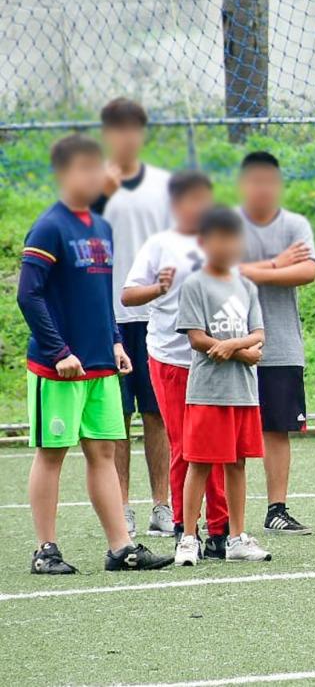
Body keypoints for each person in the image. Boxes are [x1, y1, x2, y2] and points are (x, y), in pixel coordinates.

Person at [18, 134, 173, 574]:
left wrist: (115, 342)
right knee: (52, 452)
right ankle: (45, 550)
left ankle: (120, 547)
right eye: (84, 169)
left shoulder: (100, 228)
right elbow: (29, 295)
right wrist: (59, 351)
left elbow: (100, 295)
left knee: (103, 451)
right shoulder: (50, 226)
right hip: (60, 367)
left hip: (100, 364)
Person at [122, 170, 231, 559]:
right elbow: (129, 295)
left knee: (219, 446)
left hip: (216, 360)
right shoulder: (159, 245)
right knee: (185, 446)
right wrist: (159, 288)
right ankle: (187, 529)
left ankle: (222, 530)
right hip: (170, 359)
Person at [92, 98, 173, 539]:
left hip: (156, 317)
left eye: (133, 128)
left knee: (157, 414)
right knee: (116, 417)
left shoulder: (164, 187)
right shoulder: (93, 189)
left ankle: (162, 503)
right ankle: (121, 505)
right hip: (108, 319)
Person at [174, 206, 271, 565]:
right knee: (198, 463)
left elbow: (259, 334)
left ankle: (236, 538)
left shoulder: (246, 285)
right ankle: (187, 539)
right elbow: (198, 339)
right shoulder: (195, 284)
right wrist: (241, 351)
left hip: (243, 392)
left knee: (238, 464)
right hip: (208, 391)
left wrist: (233, 347)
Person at [236, 151, 315, 535]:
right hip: (233, 347)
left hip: (281, 344)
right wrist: (275, 264)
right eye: (255, 181)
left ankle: (276, 509)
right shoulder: (229, 225)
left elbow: (306, 271)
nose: (263, 189)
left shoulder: (295, 224)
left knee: (277, 429)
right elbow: (221, 272)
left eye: (270, 181)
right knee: (229, 431)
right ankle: (224, 517)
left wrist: (254, 271)